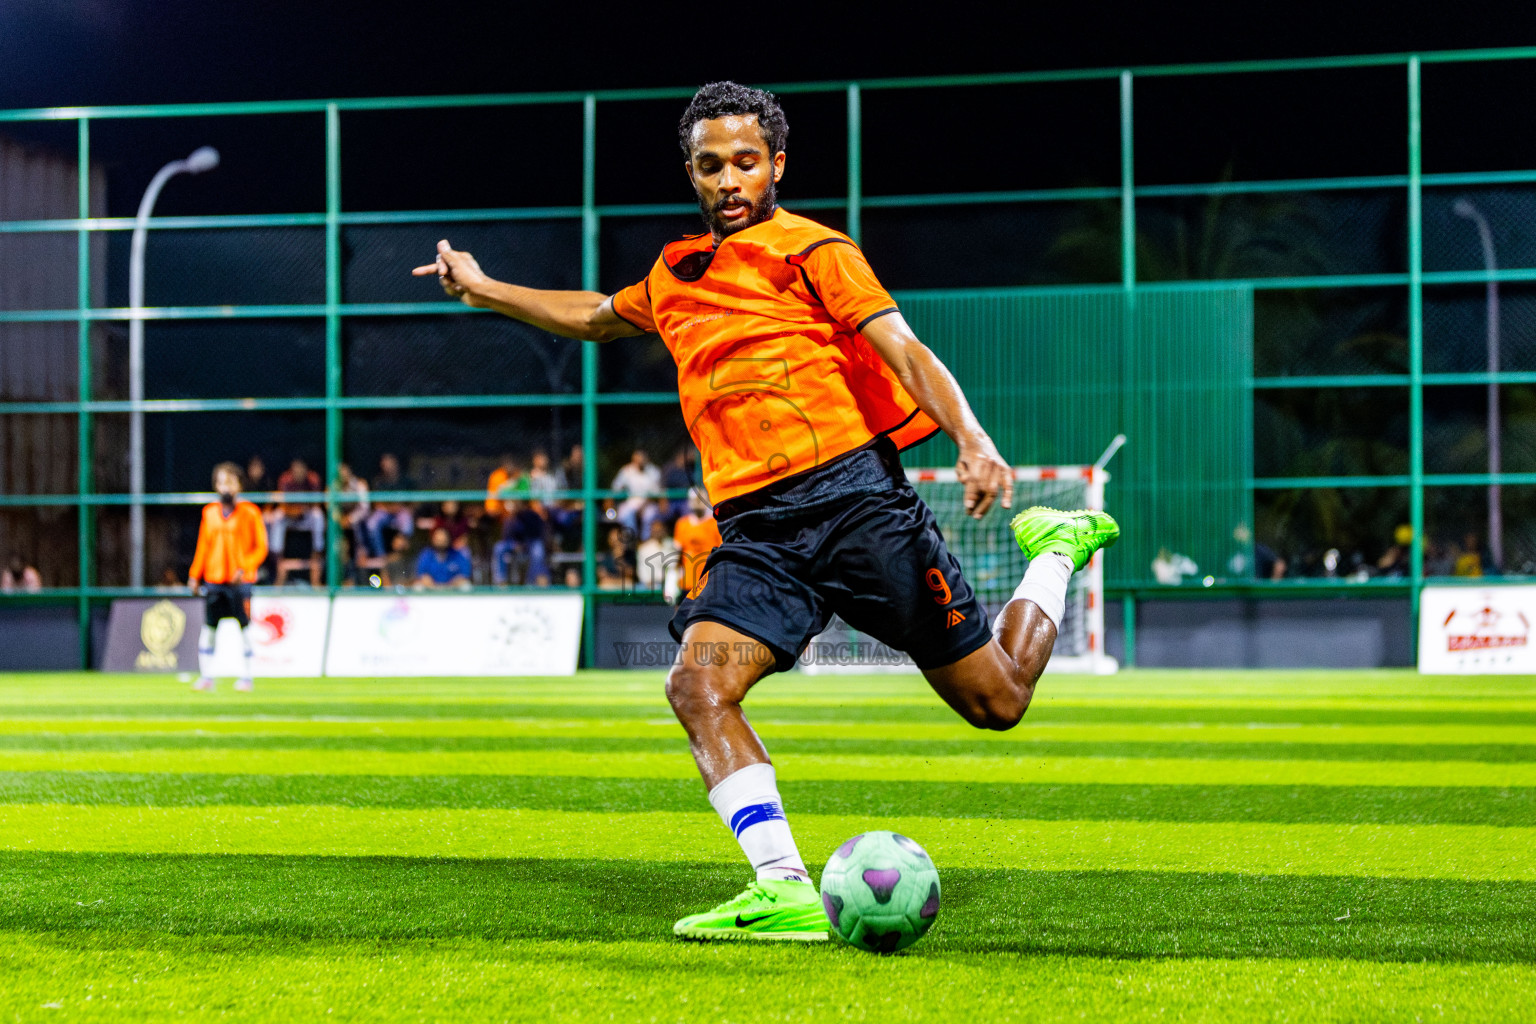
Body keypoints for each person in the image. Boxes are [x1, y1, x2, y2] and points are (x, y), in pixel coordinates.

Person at [414, 81, 1118, 942]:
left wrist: (970, 438)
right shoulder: (675, 272)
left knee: (996, 701)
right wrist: (484, 288)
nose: (730, 179)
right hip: (755, 533)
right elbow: (597, 317)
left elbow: (903, 346)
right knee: (698, 685)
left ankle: (1054, 549)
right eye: (712, 166)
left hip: (857, 503)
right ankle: (782, 885)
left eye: (747, 161)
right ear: (693, 175)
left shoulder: (813, 250)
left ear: (776, 164)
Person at [188, 462, 269, 692]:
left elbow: (261, 547)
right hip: (214, 580)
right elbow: (203, 546)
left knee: (245, 628)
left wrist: (244, 568)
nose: (226, 487)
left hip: (240, 582)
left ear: (239, 486)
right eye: (222, 482)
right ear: (216, 485)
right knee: (209, 629)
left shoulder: (250, 512)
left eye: (231, 482)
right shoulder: (209, 513)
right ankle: (206, 677)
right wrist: (195, 575)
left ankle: (247, 677)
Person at [671, 489, 722, 603]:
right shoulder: (682, 524)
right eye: (695, 499)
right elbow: (676, 556)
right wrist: (672, 580)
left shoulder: (714, 524)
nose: (698, 502)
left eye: (701, 499)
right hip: (687, 582)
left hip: (708, 582)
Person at [612, 448, 662, 538]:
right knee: (626, 513)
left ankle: (645, 541)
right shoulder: (627, 470)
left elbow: (657, 494)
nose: (639, 462)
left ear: (646, 459)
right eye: (637, 459)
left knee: (649, 515)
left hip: (648, 503)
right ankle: (631, 540)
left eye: (641, 459)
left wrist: (644, 505)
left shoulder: (654, 471)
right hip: (631, 502)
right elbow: (616, 488)